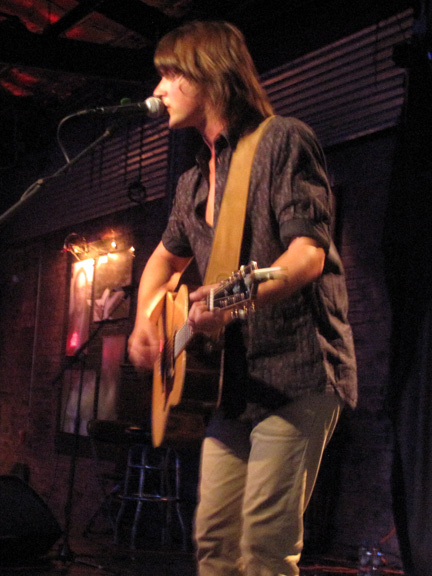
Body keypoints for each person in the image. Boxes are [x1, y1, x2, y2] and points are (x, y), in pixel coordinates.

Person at [128, 20, 357, 576]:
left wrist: (235, 300)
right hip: (229, 389)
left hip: (295, 376)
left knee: (263, 548)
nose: (157, 90)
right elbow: (163, 259)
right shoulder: (191, 184)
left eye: (170, 74)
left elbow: (308, 255)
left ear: (210, 75)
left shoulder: (283, 141)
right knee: (214, 545)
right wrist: (143, 324)